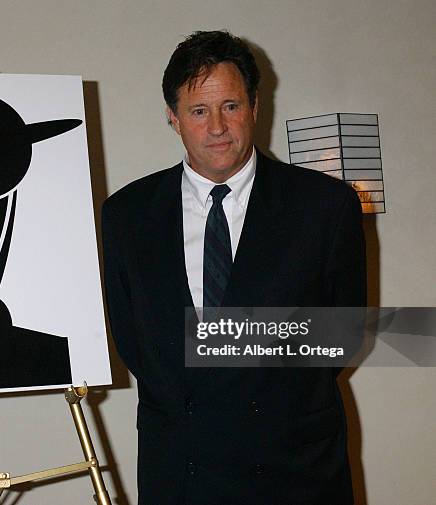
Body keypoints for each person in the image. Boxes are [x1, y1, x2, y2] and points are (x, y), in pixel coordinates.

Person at [102, 30, 366, 505]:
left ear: (255, 107)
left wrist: (208, 343)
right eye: (199, 111)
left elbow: (342, 337)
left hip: (295, 469)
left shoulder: (325, 206)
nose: (217, 126)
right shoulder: (127, 214)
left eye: (231, 106)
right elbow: (134, 343)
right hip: (181, 470)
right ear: (173, 118)